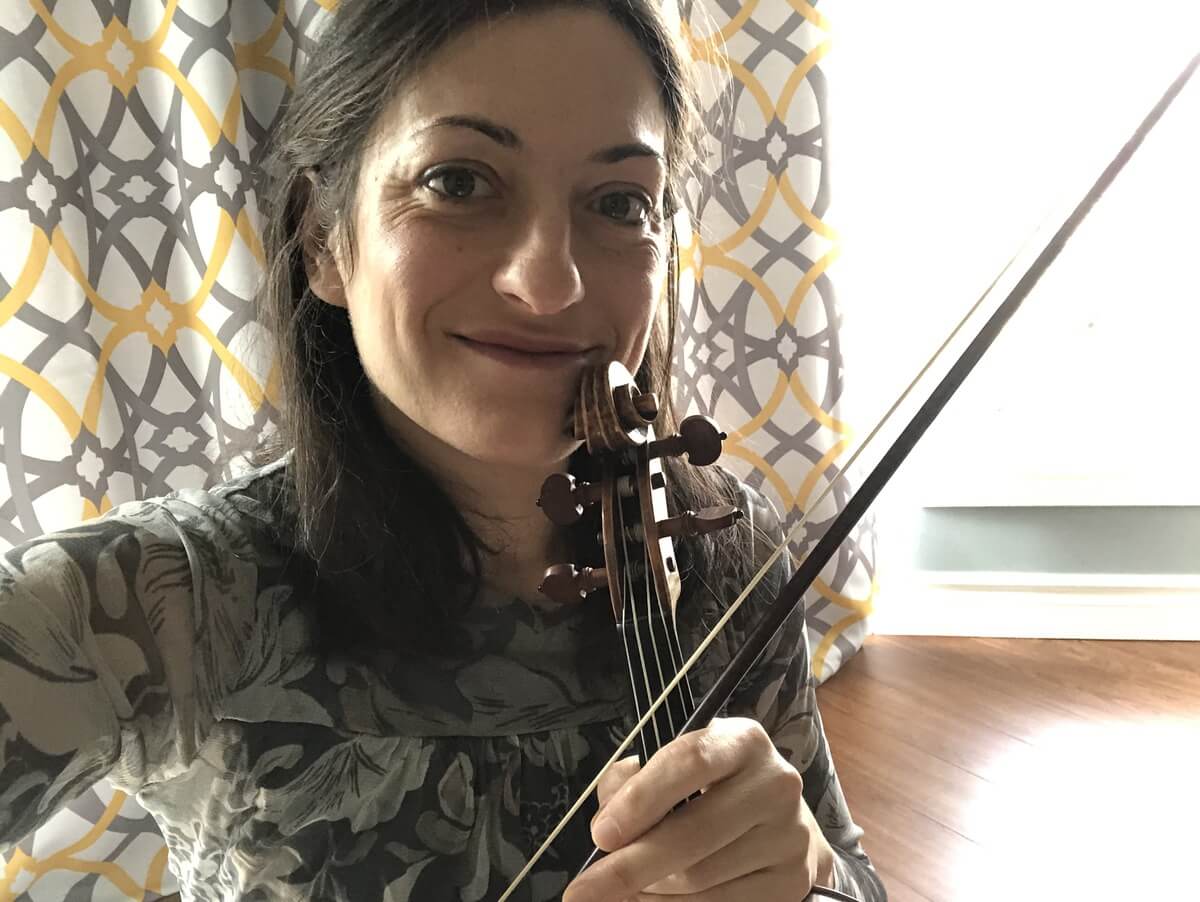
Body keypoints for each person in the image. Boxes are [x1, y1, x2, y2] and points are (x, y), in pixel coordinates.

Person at [0, 1, 887, 900]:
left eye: (621, 203)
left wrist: (811, 876)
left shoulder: (731, 549)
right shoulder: (156, 602)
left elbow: (852, 877)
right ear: (323, 240)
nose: (548, 282)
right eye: (458, 183)